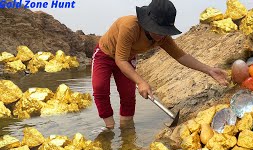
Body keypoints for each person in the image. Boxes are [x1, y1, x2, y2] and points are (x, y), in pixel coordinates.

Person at [91, 0, 228, 129]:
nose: (161, 35)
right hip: (105, 54)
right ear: (147, 23)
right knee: (100, 87)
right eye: (158, 29)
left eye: (164, 31)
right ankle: (109, 128)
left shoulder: (162, 37)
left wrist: (209, 70)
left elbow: (181, 56)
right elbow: (120, 60)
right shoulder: (130, 26)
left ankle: (126, 132)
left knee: (127, 95)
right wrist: (141, 82)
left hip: (128, 58)